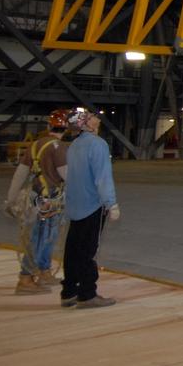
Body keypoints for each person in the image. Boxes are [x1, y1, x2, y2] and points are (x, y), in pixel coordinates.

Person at [59, 109, 121, 308]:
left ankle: (69, 291)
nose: (97, 118)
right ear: (86, 124)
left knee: (73, 248)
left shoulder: (74, 145)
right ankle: (87, 294)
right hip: (92, 205)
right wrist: (111, 203)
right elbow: (102, 177)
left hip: (75, 205)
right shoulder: (98, 144)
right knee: (88, 250)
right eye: (92, 117)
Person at [6, 110, 69, 294]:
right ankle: (26, 278)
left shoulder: (35, 145)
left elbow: (20, 175)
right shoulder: (59, 148)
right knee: (41, 237)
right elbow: (68, 176)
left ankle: (43, 271)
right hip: (49, 201)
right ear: (65, 129)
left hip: (36, 197)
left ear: (49, 126)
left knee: (44, 236)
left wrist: (10, 200)